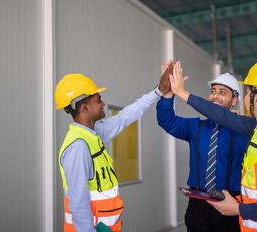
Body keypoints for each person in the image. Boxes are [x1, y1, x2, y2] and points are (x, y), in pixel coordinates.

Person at [169, 60, 257, 232]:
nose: (245, 98)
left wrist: (238, 209)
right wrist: (182, 93)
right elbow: (222, 116)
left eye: (247, 92)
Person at [55, 68, 172, 232]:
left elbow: (127, 116)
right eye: (98, 100)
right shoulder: (78, 146)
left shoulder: (94, 133)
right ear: (84, 108)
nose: (103, 103)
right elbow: (78, 204)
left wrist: (159, 91)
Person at [156, 62, 248, 232]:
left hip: (231, 202)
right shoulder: (196, 127)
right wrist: (168, 92)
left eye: (223, 93)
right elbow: (166, 120)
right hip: (198, 205)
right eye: (213, 91)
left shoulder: (242, 132)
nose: (215, 96)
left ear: (234, 100)